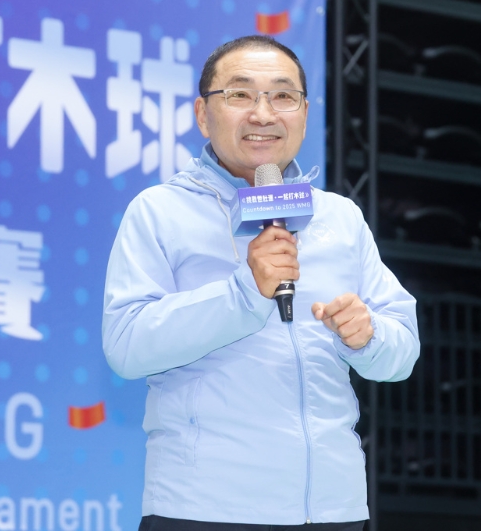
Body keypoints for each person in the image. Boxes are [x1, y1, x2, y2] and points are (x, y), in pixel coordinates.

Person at [101, 35, 420, 530]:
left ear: (305, 113)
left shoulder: (339, 217)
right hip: (204, 508)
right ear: (203, 114)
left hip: (333, 510)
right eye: (240, 94)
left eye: (283, 95)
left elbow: (402, 354)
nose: (263, 113)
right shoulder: (159, 211)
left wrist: (368, 335)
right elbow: (126, 345)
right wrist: (245, 293)